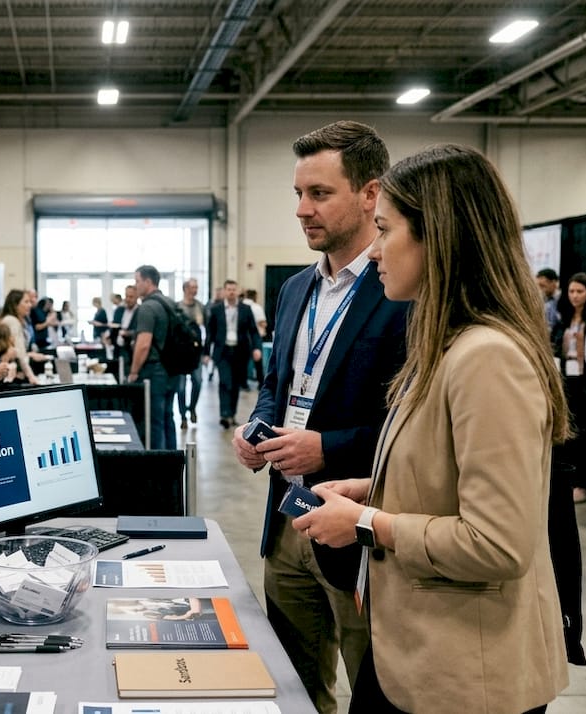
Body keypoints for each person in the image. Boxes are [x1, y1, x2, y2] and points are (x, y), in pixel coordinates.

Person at [287, 144, 569, 713]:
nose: (374, 254)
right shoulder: (443, 346)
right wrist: (371, 489)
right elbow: (446, 476)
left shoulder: (487, 357)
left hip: (465, 674)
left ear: (437, 236)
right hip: (415, 654)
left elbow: (496, 544)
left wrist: (368, 521)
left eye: (386, 231)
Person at [230, 120, 406, 714]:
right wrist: (257, 427)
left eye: (320, 194)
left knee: (372, 686)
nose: (303, 210)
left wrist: (327, 446)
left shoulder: (402, 291)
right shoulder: (293, 290)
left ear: (370, 194)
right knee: (294, 686)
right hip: (287, 519)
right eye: (298, 195)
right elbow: (276, 386)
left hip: (359, 525)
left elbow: (418, 424)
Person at [550, 272, 586, 503]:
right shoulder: (563, 318)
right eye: (572, 291)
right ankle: (567, 479)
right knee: (567, 432)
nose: (575, 296)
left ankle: (585, 482)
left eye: (580, 291)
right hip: (567, 381)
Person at [126, 264, 178, 450]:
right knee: (167, 417)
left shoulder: (147, 307)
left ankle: (160, 468)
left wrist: (133, 372)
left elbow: (143, 344)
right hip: (173, 369)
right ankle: (173, 463)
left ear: (148, 282)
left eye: (137, 281)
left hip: (155, 372)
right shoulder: (170, 303)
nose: (136, 285)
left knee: (154, 421)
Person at [206, 280, 261, 429]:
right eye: (228, 289)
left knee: (236, 383)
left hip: (240, 351)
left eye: (233, 289)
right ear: (224, 291)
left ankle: (232, 414)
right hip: (222, 352)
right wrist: (206, 353)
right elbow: (210, 332)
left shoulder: (245, 309)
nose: (231, 292)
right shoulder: (216, 309)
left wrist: (257, 348)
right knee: (225, 381)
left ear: (237, 291)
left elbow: (253, 330)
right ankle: (224, 414)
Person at [176, 278, 206, 428]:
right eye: (192, 287)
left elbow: (207, 328)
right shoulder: (178, 307)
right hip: (181, 354)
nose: (195, 290)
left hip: (196, 352)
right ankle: (182, 416)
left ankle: (192, 407)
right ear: (185, 289)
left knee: (198, 381)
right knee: (180, 387)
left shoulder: (200, 307)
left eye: (196, 287)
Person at [0, 289, 41, 386]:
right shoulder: (12, 321)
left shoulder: (20, 320)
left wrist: (29, 354)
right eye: (26, 302)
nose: (30, 305)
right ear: (15, 305)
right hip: (12, 375)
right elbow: (19, 352)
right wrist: (31, 376)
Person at [243, 288, 268, 389]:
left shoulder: (241, 306)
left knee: (244, 362)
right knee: (258, 361)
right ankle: (260, 382)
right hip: (255, 337)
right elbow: (263, 323)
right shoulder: (257, 307)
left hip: (243, 338)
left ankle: (243, 383)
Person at [112, 285, 138, 379]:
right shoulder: (119, 310)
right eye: (126, 296)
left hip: (130, 351)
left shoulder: (140, 311)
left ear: (137, 296)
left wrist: (128, 333)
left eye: (131, 297)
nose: (128, 299)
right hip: (117, 350)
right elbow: (114, 325)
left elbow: (139, 331)